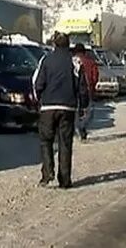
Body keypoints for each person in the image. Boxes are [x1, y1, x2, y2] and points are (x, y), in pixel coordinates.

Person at [33, 32, 89, 189]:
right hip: (68, 107)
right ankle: (65, 180)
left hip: (48, 107)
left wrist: (40, 100)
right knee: (65, 143)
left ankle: (47, 173)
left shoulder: (46, 60)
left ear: (54, 44)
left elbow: (38, 83)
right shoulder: (75, 61)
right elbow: (82, 87)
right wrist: (83, 105)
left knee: (46, 140)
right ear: (68, 44)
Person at [72, 43, 98, 140]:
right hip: (88, 91)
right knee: (89, 112)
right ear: (84, 51)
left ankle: (78, 128)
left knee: (76, 112)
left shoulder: (72, 61)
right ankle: (82, 127)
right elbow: (95, 77)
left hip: (73, 92)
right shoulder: (91, 62)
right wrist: (92, 86)